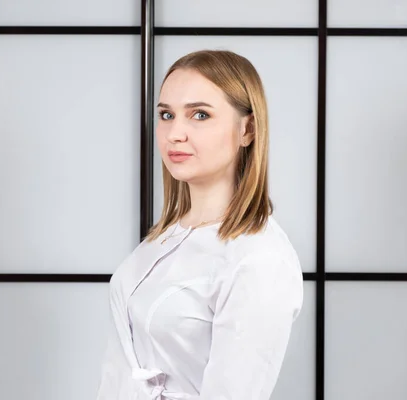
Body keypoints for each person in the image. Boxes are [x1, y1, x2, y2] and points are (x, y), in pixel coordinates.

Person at [95, 49, 304, 400]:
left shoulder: (259, 258)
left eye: (200, 115)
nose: (175, 133)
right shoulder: (162, 238)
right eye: (166, 114)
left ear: (247, 129)